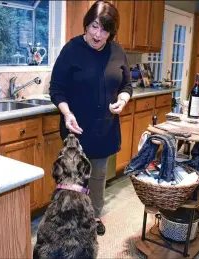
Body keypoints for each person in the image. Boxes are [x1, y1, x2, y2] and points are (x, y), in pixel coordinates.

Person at [49, 0, 132, 236]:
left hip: (104, 129)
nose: (98, 34)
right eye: (94, 26)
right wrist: (66, 113)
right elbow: (56, 89)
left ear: (111, 32)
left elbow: (127, 85)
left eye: (105, 29)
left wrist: (123, 100)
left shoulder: (117, 52)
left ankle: (94, 217)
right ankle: (69, 219)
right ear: (87, 24)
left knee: (98, 177)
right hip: (76, 129)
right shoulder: (72, 50)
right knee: (72, 180)